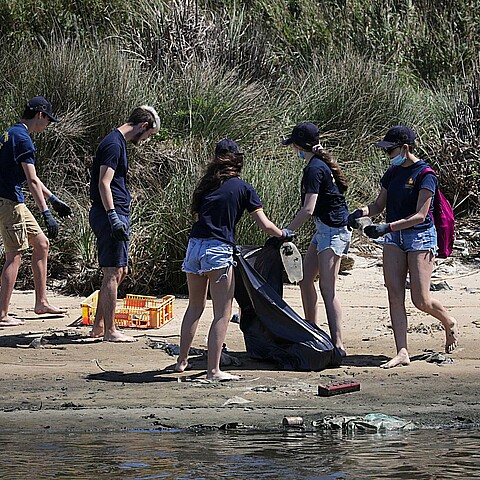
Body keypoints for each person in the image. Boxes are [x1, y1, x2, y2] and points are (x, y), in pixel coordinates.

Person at [175, 139, 292, 380]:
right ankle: (213, 370)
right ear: (238, 161)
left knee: (194, 307)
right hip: (218, 251)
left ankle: (182, 361)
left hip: (194, 247)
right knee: (222, 312)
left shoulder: (206, 185)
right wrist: (284, 234)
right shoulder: (243, 188)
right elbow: (265, 225)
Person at [347, 125, 459, 368]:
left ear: (405, 148)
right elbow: (378, 205)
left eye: (391, 150)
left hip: (419, 237)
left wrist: (387, 227)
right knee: (394, 293)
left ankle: (447, 320)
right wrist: (360, 213)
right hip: (395, 239)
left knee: (421, 299)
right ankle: (402, 351)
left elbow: (420, 215)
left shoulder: (426, 174)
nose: (388, 154)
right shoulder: (392, 172)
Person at [89, 105, 160, 342]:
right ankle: (110, 330)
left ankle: (99, 326)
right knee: (112, 271)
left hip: (116, 213)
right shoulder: (113, 144)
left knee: (121, 270)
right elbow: (103, 182)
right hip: (111, 214)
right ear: (143, 126)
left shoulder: (117, 142)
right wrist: (112, 216)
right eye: (148, 135)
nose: (146, 140)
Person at [0, 96, 72, 327]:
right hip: (9, 202)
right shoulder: (24, 141)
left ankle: (41, 302)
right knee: (15, 255)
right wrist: (46, 213)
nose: (48, 125)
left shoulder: (10, 133)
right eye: (48, 120)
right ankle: (2, 314)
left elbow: (34, 179)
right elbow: (31, 181)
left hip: (13, 201)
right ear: (40, 115)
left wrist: (54, 200)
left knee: (41, 244)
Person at [282, 122, 351, 357]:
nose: (293, 151)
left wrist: (286, 232)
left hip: (334, 231)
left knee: (327, 289)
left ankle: (338, 344)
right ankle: (311, 328)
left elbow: (308, 209)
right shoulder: (317, 165)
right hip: (324, 230)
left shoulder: (314, 169)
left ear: (300, 146)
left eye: (293, 146)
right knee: (304, 280)